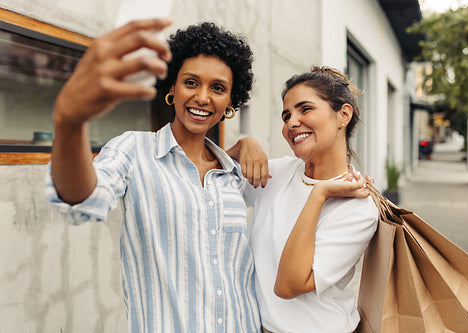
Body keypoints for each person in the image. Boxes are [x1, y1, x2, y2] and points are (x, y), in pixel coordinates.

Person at [46, 20, 264, 332]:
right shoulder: (134, 150)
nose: (203, 97)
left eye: (218, 88)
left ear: (230, 102)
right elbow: (83, 198)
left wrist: (247, 143)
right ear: (171, 88)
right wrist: (70, 123)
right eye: (191, 82)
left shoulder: (233, 173)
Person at [244, 66, 378, 333]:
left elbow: (288, 285)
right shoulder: (279, 172)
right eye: (286, 115)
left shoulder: (359, 209)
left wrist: (319, 194)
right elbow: (205, 182)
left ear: (343, 115)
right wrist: (241, 146)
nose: (291, 122)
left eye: (305, 109)